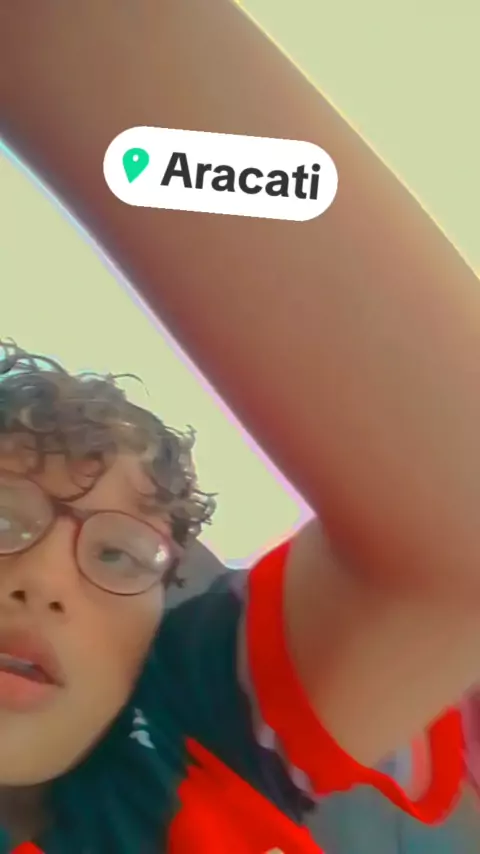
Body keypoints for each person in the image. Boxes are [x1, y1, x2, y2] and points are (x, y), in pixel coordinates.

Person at [2, 0, 480, 852]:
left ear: (156, 628)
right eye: (1, 520)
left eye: (117, 556)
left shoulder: (185, 753)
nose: (41, 581)